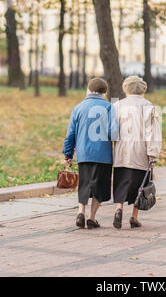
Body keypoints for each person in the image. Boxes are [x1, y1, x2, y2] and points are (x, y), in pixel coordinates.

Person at [62, 77, 117, 229]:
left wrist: (67, 154)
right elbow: (114, 133)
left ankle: (81, 212)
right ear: (104, 92)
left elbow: (70, 134)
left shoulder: (78, 107)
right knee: (100, 186)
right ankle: (92, 217)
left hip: (84, 154)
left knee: (84, 184)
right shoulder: (109, 107)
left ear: (89, 90)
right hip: (103, 156)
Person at [112, 76, 161, 229]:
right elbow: (152, 133)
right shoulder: (148, 106)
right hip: (141, 152)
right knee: (140, 185)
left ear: (125, 88)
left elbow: (112, 131)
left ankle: (118, 210)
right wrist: (153, 154)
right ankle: (134, 216)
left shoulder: (117, 105)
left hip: (121, 151)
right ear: (143, 89)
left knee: (121, 181)